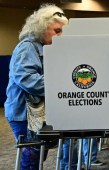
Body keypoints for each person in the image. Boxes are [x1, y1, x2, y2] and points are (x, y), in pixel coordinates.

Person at [4, 4, 68, 169]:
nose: (61, 36)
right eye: (57, 30)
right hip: (23, 115)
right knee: (31, 160)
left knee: (38, 156)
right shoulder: (27, 47)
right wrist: (60, 85)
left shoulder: (46, 47)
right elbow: (27, 79)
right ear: (42, 28)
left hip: (34, 114)